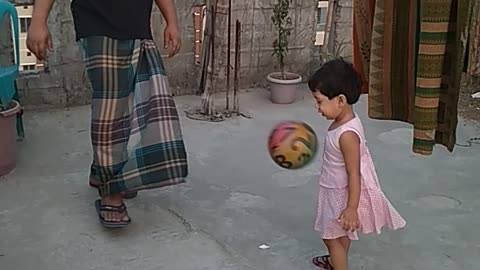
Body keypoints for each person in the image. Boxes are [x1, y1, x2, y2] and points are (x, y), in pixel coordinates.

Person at [26, 0, 189, 228]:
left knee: (127, 103)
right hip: (99, 23)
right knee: (110, 108)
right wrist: (38, 20)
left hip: (136, 27)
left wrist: (171, 21)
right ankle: (110, 190)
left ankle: (101, 172)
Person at [307, 59, 406, 270]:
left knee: (331, 238)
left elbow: (354, 173)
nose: (317, 108)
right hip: (333, 188)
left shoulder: (347, 135)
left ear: (340, 101)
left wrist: (351, 208)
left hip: (339, 193)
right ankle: (336, 260)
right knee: (339, 234)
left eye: (319, 101)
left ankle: (337, 262)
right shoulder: (346, 121)